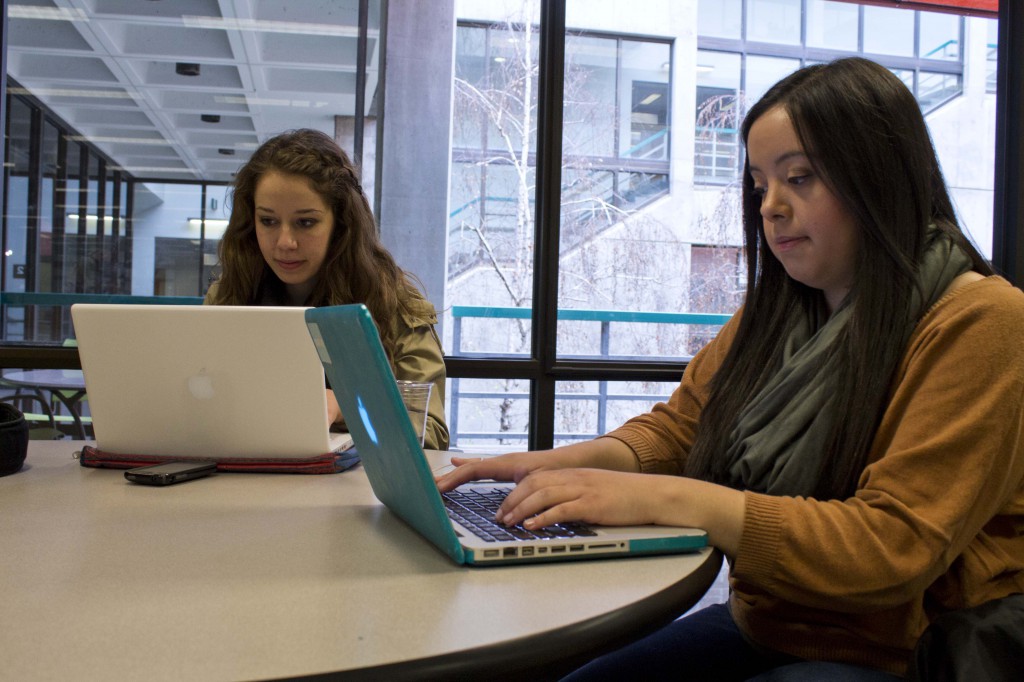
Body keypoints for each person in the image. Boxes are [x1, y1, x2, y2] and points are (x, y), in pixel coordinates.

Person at [437, 57, 1024, 680]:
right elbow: (684, 429)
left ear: (881, 178)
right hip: (766, 626)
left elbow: (891, 548)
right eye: (760, 184)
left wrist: (671, 497)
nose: (771, 207)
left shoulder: (983, 320)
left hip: (902, 655)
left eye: (800, 178)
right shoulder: (779, 308)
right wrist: (561, 465)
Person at [206, 128, 449, 450]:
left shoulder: (393, 301)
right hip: (245, 478)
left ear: (341, 224)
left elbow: (431, 433)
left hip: (357, 491)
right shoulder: (228, 296)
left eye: (305, 222)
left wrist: (344, 407)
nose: (285, 242)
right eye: (268, 221)